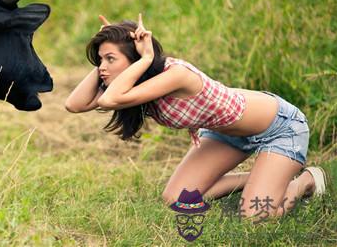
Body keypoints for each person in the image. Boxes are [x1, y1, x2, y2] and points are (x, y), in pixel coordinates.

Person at [65, 14, 328, 220]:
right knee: (177, 199)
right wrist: (106, 58)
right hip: (225, 135)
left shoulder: (175, 75)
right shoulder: (131, 82)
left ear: (134, 60)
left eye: (110, 59)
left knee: (256, 218)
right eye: (101, 60)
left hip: (279, 128)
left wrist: (144, 58)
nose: (102, 67)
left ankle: (303, 181)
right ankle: (260, 178)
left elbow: (109, 100)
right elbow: (74, 104)